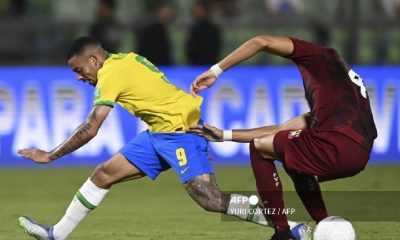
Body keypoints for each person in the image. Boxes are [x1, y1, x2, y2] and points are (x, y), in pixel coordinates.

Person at [17, 36, 310, 240]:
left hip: (182, 133)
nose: (79, 77)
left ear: (94, 60)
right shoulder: (124, 60)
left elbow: (91, 127)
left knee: (211, 199)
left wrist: (50, 155)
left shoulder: (110, 75)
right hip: (159, 133)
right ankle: (56, 234)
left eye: (79, 70)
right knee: (103, 173)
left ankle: (292, 226)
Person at [190, 35, 377, 240]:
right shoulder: (339, 89)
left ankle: (282, 231)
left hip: (336, 143)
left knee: (259, 147)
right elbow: (281, 130)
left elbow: (260, 42)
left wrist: (215, 71)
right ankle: (325, 225)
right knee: (290, 151)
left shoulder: (319, 56)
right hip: (358, 154)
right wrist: (225, 135)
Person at [135, 0, 174, 65]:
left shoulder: (164, 28)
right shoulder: (150, 30)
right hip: (153, 67)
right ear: (157, 11)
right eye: (165, 10)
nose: (169, 13)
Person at [185, 0, 222, 65]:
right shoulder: (194, 29)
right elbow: (190, 50)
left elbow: (215, 50)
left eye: (199, 9)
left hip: (209, 65)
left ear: (206, 11)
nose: (196, 12)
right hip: (195, 66)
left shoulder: (213, 29)